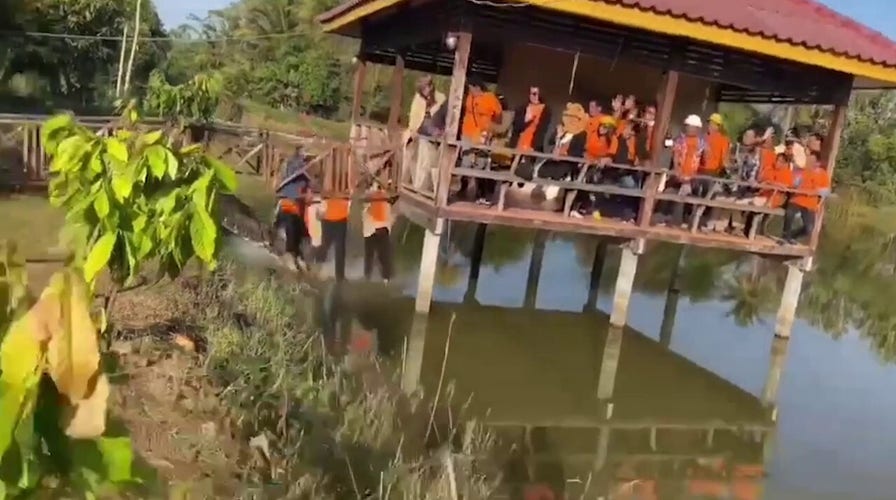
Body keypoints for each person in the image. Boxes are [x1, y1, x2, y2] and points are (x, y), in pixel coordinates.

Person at [458, 77, 503, 205]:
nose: (470, 90)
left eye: (471, 87)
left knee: (480, 164)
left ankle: (481, 194)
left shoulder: (490, 98)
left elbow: (499, 117)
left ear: (477, 87)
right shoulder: (469, 97)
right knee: (466, 162)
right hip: (468, 133)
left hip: (483, 135)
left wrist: (491, 130)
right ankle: (463, 189)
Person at [406, 75, 446, 192]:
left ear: (430, 86)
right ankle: (418, 187)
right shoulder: (418, 98)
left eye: (425, 88)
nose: (424, 92)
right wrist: (413, 130)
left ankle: (434, 189)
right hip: (420, 132)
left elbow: (442, 117)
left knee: (433, 164)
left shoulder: (441, 98)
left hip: (435, 134)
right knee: (418, 162)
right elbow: (414, 116)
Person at [274, 146, 312, 270]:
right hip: (288, 206)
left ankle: (297, 256)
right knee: (292, 232)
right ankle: (290, 256)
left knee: (299, 234)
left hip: (295, 208)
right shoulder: (294, 166)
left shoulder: (301, 170)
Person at [666, 114, 707, 227]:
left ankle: (682, 221)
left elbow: (705, 161)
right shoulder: (680, 139)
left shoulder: (702, 143)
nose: (688, 128)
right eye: (687, 126)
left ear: (697, 129)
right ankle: (672, 219)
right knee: (672, 194)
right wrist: (676, 170)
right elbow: (675, 154)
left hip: (693, 176)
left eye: (690, 126)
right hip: (680, 174)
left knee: (688, 197)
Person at [782, 150, 831, 244]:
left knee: (809, 229)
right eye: (808, 159)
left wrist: (815, 192)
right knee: (789, 213)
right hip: (797, 199)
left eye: (811, 160)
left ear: (817, 163)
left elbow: (827, 191)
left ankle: (792, 235)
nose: (809, 162)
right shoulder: (802, 171)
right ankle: (785, 236)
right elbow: (792, 183)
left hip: (810, 204)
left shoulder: (823, 174)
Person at [362, 183, 394, 283]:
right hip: (372, 228)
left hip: (380, 227)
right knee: (371, 255)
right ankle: (368, 277)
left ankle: (385, 278)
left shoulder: (386, 194)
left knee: (383, 255)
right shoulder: (369, 194)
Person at [316, 195, 350, 281]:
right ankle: (319, 269)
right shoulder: (328, 188)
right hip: (329, 219)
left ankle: (340, 276)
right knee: (327, 246)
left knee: (339, 248)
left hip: (339, 218)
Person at [509, 86, 552, 153]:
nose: (535, 96)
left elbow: (542, 131)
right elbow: (516, 128)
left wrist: (534, 147)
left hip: (532, 148)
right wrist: (526, 120)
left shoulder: (546, 110)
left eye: (537, 94)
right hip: (518, 146)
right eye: (532, 94)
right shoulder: (522, 108)